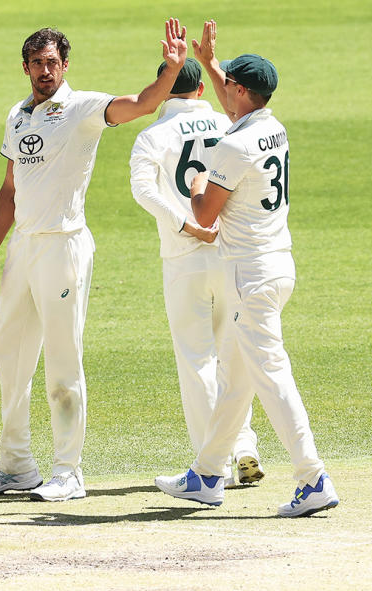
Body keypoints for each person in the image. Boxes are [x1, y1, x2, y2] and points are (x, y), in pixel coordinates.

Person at [0, 20, 189, 502]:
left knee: (63, 363)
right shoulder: (17, 114)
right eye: (36, 63)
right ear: (25, 67)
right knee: (9, 356)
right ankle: (15, 465)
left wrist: (172, 69)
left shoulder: (83, 107)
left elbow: (142, 105)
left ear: (64, 66)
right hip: (23, 247)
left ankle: (68, 471)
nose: (45, 71)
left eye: (52, 63)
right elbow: (9, 189)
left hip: (64, 245)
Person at [155, 21, 339, 517]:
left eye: (229, 84)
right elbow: (238, 108)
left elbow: (204, 216)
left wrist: (195, 183)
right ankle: (207, 474)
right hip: (278, 266)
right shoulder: (272, 127)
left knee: (271, 376)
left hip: (249, 277)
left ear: (240, 91)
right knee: (235, 381)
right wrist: (214, 64)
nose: (224, 91)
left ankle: (313, 476)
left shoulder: (233, 147)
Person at [129, 57, 263, 486]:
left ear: (163, 86)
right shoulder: (230, 126)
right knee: (232, 355)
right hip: (229, 251)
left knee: (196, 359)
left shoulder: (152, 133)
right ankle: (244, 445)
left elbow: (143, 189)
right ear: (202, 91)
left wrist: (186, 223)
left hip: (184, 254)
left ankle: (213, 464)